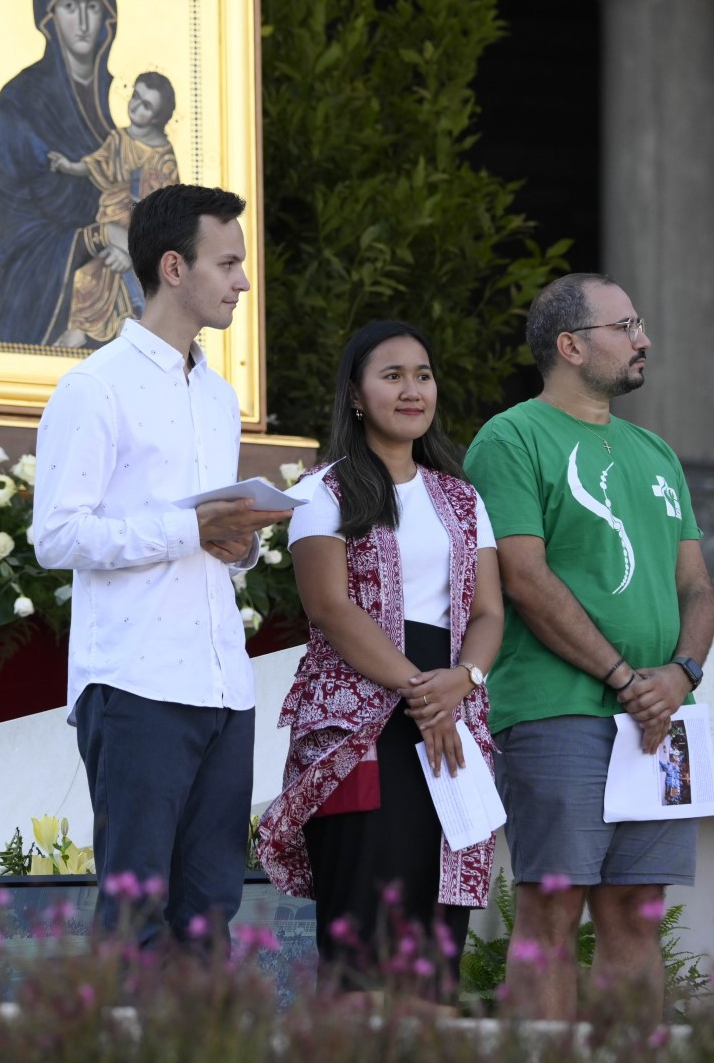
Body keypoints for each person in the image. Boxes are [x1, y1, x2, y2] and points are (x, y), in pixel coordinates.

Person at [31, 182, 289, 949]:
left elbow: (207, 536)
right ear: (173, 267)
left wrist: (236, 545)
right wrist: (187, 529)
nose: (242, 281)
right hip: (135, 680)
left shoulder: (218, 395)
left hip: (222, 683)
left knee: (210, 913)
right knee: (136, 915)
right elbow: (57, 536)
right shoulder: (93, 386)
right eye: (229, 262)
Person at [462, 272, 714, 1020]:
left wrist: (680, 674)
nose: (644, 340)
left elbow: (697, 587)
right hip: (556, 709)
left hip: (665, 718)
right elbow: (524, 577)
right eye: (625, 326)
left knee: (637, 909)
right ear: (570, 346)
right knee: (552, 905)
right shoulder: (511, 437)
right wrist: (622, 676)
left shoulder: (657, 452)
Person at [257, 320, 504, 999]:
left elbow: (488, 613)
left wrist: (464, 680)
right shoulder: (323, 490)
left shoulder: (462, 497)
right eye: (391, 375)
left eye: (422, 374)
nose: (411, 389)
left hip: (450, 717)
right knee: (365, 925)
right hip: (359, 724)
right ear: (356, 396)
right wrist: (421, 691)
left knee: (437, 927)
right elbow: (331, 609)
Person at [0, 0, 119, 346]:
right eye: (69, 6)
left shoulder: (127, 99)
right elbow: (20, 225)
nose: (83, 20)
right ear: (49, 17)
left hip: (123, 280)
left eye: (93, 6)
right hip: (42, 293)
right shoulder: (17, 106)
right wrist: (94, 238)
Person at [46, 71, 181, 348]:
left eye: (146, 105)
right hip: (110, 220)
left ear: (158, 117)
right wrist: (70, 167)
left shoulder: (164, 155)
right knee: (88, 276)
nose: (136, 106)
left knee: (130, 280)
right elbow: (97, 163)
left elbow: (168, 204)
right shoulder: (119, 139)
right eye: (136, 97)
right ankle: (80, 330)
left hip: (140, 230)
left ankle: (128, 332)